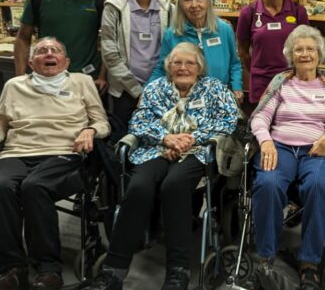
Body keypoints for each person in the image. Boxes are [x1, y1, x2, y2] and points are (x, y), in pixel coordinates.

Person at [87, 43, 239, 290]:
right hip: (156, 148)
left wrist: (192, 139)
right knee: (138, 187)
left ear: (199, 67)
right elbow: (139, 121)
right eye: (177, 62)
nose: (183, 67)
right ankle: (113, 269)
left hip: (196, 151)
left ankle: (178, 271)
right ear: (169, 66)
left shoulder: (214, 88)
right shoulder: (155, 88)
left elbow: (229, 120)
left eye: (189, 63)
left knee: (174, 185)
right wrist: (166, 138)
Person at [0, 37, 111, 290]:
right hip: (17, 152)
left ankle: (48, 269)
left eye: (55, 50)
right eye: (41, 51)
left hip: (63, 152)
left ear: (66, 62)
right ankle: (12, 269)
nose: (49, 54)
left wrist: (90, 130)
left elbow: (101, 121)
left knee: (34, 186)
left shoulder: (81, 81)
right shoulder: (14, 85)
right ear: (30, 63)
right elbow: (0, 123)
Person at [249, 25, 325, 289]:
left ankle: (309, 262)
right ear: (290, 55)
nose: (305, 54)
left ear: (320, 54)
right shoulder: (281, 81)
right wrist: (265, 141)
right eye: (299, 49)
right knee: (268, 184)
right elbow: (260, 115)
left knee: (319, 186)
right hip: (279, 146)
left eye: (310, 49)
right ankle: (265, 257)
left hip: (317, 148)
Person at [101, 0, 175, 126]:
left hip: (160, 87)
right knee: (123, 135)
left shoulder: (168, 8)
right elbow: (109, 53)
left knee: (160, 135)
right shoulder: (114, 7)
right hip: (124, 91)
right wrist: (136, 90)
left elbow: (172, 49)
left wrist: (153, 87)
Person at [148, 0, 243, 103]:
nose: (194, 5)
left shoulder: (224, 29)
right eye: (187, 0)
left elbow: (234, 63)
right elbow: (162, 68)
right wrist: (147, 91)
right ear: (180, 5)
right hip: (184, 98)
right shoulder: (172, 34)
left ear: (208, 1)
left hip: (219, 96)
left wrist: (237, 86)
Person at [237, 0, 309, 105]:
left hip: (291, 83)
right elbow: (243, 51)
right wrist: (258, 71)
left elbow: (307, 48)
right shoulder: (248, 13)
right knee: (261, 119)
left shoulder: (298, 12)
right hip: (261, 85)